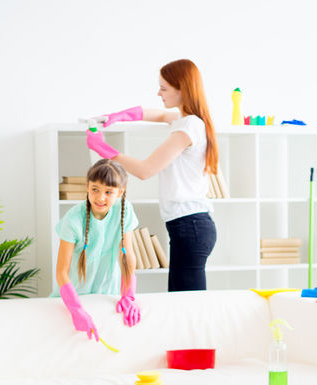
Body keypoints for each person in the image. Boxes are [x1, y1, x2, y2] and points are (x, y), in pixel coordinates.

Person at [86, 58, 218, 292]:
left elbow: (146, 170)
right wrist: (119, 116)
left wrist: (106, 151)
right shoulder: (186, 120)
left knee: (188, 303)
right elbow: (157, 115)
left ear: (183, 89)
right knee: (181, 300)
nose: (159, 93)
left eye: (164, 88)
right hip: (188, 226)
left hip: (191, 226)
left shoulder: (187, 128)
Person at [55, 159, 140, 341]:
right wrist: (76, 309)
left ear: (120, 192)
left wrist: (129, 296)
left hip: (107, 293)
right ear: (87, 186)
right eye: (95, 189)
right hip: (74, 296)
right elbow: (62, 271)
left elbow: (128, 255)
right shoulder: (73, 220)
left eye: (108, 192)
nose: (100, 198)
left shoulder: (125, 210)